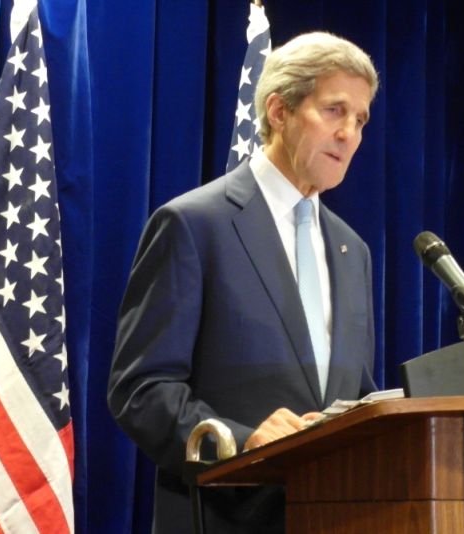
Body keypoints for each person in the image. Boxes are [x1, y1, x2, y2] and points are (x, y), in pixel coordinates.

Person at [107, 32, 379, 533]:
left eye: (360, 119)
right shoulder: (194, 224)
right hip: (222, 516)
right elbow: (141, 389)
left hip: (334, 515)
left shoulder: (352, 250)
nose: (350, 133)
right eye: (335, 110)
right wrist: (240, 438)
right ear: (279, 111)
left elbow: (353, 395)